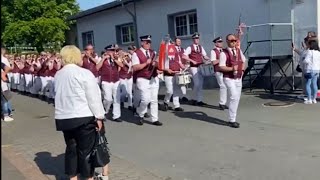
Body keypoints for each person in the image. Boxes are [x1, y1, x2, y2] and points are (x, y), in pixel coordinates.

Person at [54, 45, 109, 180]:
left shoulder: (58, 74)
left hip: (64, 118)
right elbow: (94, 97)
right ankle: (88, 178)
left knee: (71, 149)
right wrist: (99, 117)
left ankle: (72, 177)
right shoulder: (84, 73)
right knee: (86, 152)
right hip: (83, 117)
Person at [132, 35, 163, 126]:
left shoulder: (153, 52)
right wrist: (146, 63)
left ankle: (155, 119)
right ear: (142, 43)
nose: (149, 44)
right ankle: (140, 113)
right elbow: (135, 67)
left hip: (153, 78)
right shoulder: (136, 53)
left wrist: (156, 65)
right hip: (142, 78)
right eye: (147, 42)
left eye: (150, 42)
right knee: (145, 99)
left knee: (154, 100)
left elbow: (157, 64)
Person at [219, 34, 246, 128]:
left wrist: (242, 70)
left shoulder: (238, 50)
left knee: (237, 98)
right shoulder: (223, 53)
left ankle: (233, 118)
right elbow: (221, 66)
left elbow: (243, 61)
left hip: (238, 78)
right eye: (231, 41)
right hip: (228, 78)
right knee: (234, 96)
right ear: (227, 41)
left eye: (235, 40)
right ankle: (232, 120)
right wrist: (231, 69)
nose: (234, 42)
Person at [97, 44, 124, 122]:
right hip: (106, 81)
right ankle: (105, 111)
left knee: (116, 98)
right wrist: (103, 59)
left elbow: (121, 65)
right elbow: (97, 67)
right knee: (108, 99)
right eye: (111, 51)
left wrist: (114, 59)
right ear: (107, 51)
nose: (113, 52)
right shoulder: (101, 58)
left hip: (116, 80)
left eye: (114, 50)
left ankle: (116, 116)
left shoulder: (116, 58)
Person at [183, 32, 210, 106]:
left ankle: (199, 100)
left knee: (200, 84)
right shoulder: (190, 47)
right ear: (193, 39)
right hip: (193, 67)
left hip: (201, 67)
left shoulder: (201, 47)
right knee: (197, 83)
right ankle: (193, 98)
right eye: (195, 38)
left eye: (197, 38)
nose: (196, 40)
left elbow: (205, 56)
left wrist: (209, 59)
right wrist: (192, 61)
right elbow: (184, 56)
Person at [163, 39, 186, 111]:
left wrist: (183, 67)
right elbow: (161, 64)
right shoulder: (164, 53)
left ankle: (177, 105)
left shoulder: (176, 53)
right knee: (170, 90)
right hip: (168, 74)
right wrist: (167, 69)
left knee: (176, 89)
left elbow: (179, 61)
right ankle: (166, 101)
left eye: (172, 44)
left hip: (176, 73)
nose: (171, 46)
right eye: (170, 44)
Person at [211, 36, 228, 110]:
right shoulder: (213, 51)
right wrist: (221, 58)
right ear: (216, 43)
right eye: (219, 42)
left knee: (226, 86)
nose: (221, 43)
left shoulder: (224, 50)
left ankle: (223, 103)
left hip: (225, 70)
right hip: (218, 71)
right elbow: (213, 62)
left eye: (221, 42)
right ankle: (221, 103)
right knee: (223, 86)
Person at [301, 40, 320, 104]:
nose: (307, 45)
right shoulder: (318, 52)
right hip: (317, 69)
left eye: (308, 44)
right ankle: (314, 99)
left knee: (308, 83)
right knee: (314, 84)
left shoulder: (309, 52)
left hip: (310, 69)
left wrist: (303, 60)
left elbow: (306, 61)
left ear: (310, 45)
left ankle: (309, 99)